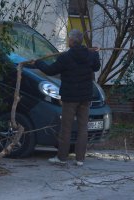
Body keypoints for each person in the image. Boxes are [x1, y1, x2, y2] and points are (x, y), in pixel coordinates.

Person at [27, 29, 100, 166]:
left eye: (68, 39)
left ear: (72, 41)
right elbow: (96, 67)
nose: (68, 40)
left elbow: (50, 70)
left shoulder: (66, 57)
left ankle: (62, 158)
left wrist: (37, 63)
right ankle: (80, 159)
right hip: (85, 97)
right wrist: (96, 54)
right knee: (83, 128)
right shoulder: (91, 55)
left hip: (70, 98)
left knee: (66, 128)